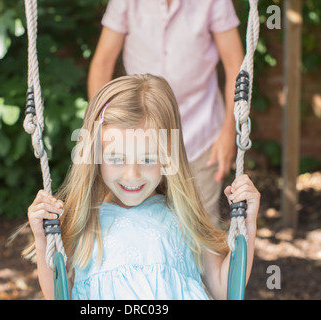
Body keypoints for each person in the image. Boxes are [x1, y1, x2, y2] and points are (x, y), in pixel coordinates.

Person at [26, 74, 260, 300]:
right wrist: (42, 237)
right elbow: (59, 295)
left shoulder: (182, 217)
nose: (132, 175)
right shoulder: (84, 221)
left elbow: (226, 290)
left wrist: (247, 222)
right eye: (116, 159)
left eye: (148, 159)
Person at [87, 0, 245, 225]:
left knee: (201, 229)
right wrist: (101, 130)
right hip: (138, 144)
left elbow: (235, 66)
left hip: (200, 135)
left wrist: (229, 131)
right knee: (137, 225)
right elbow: (102, 63)